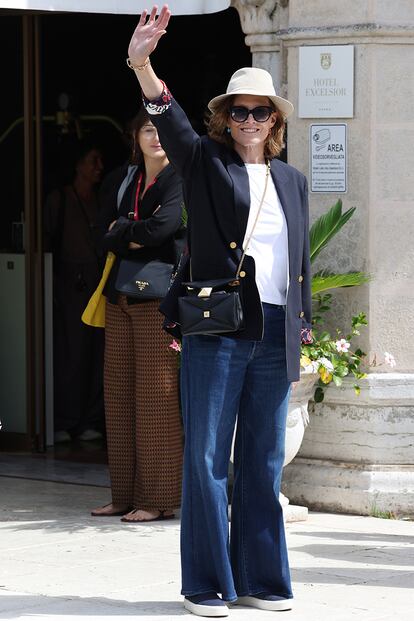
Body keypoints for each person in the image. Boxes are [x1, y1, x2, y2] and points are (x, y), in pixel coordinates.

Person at [125, 4, 313, 617]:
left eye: (261, 111)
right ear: (225, 118)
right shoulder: (206, 163)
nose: (251, 119)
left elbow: (298, 260)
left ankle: (261, 580)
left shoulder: (291, 179)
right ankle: (207, 584)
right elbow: (167, 119)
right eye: (240, 111)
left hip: (276, 331)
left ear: (275, 119)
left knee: (261, 461)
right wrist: (142, 61)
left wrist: (303, 326)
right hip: (220, 329)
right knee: (207, 457)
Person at [90, 106, 185, 523]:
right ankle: (123, 495)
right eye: (148, 129)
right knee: (119, 395)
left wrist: (125, 231)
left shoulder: (179, 177)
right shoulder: (125, 178)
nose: (155, 136)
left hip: (158, 299)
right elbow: (101, 233)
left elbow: (162, 230)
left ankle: (159, 498)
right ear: (136, 137)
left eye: (161, 128)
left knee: (156, 398)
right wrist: (127, 234)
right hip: (120, 295)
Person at [44, 139, 105, 444]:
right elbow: (46, 242)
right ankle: (65, 419)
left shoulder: (98, 199)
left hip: (97, 282)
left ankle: (89, 419)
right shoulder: (60, 200)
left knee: (97, 353)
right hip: (71, 284)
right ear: (78, 164)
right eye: (93, 160)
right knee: (71, 353)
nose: (99, 168)